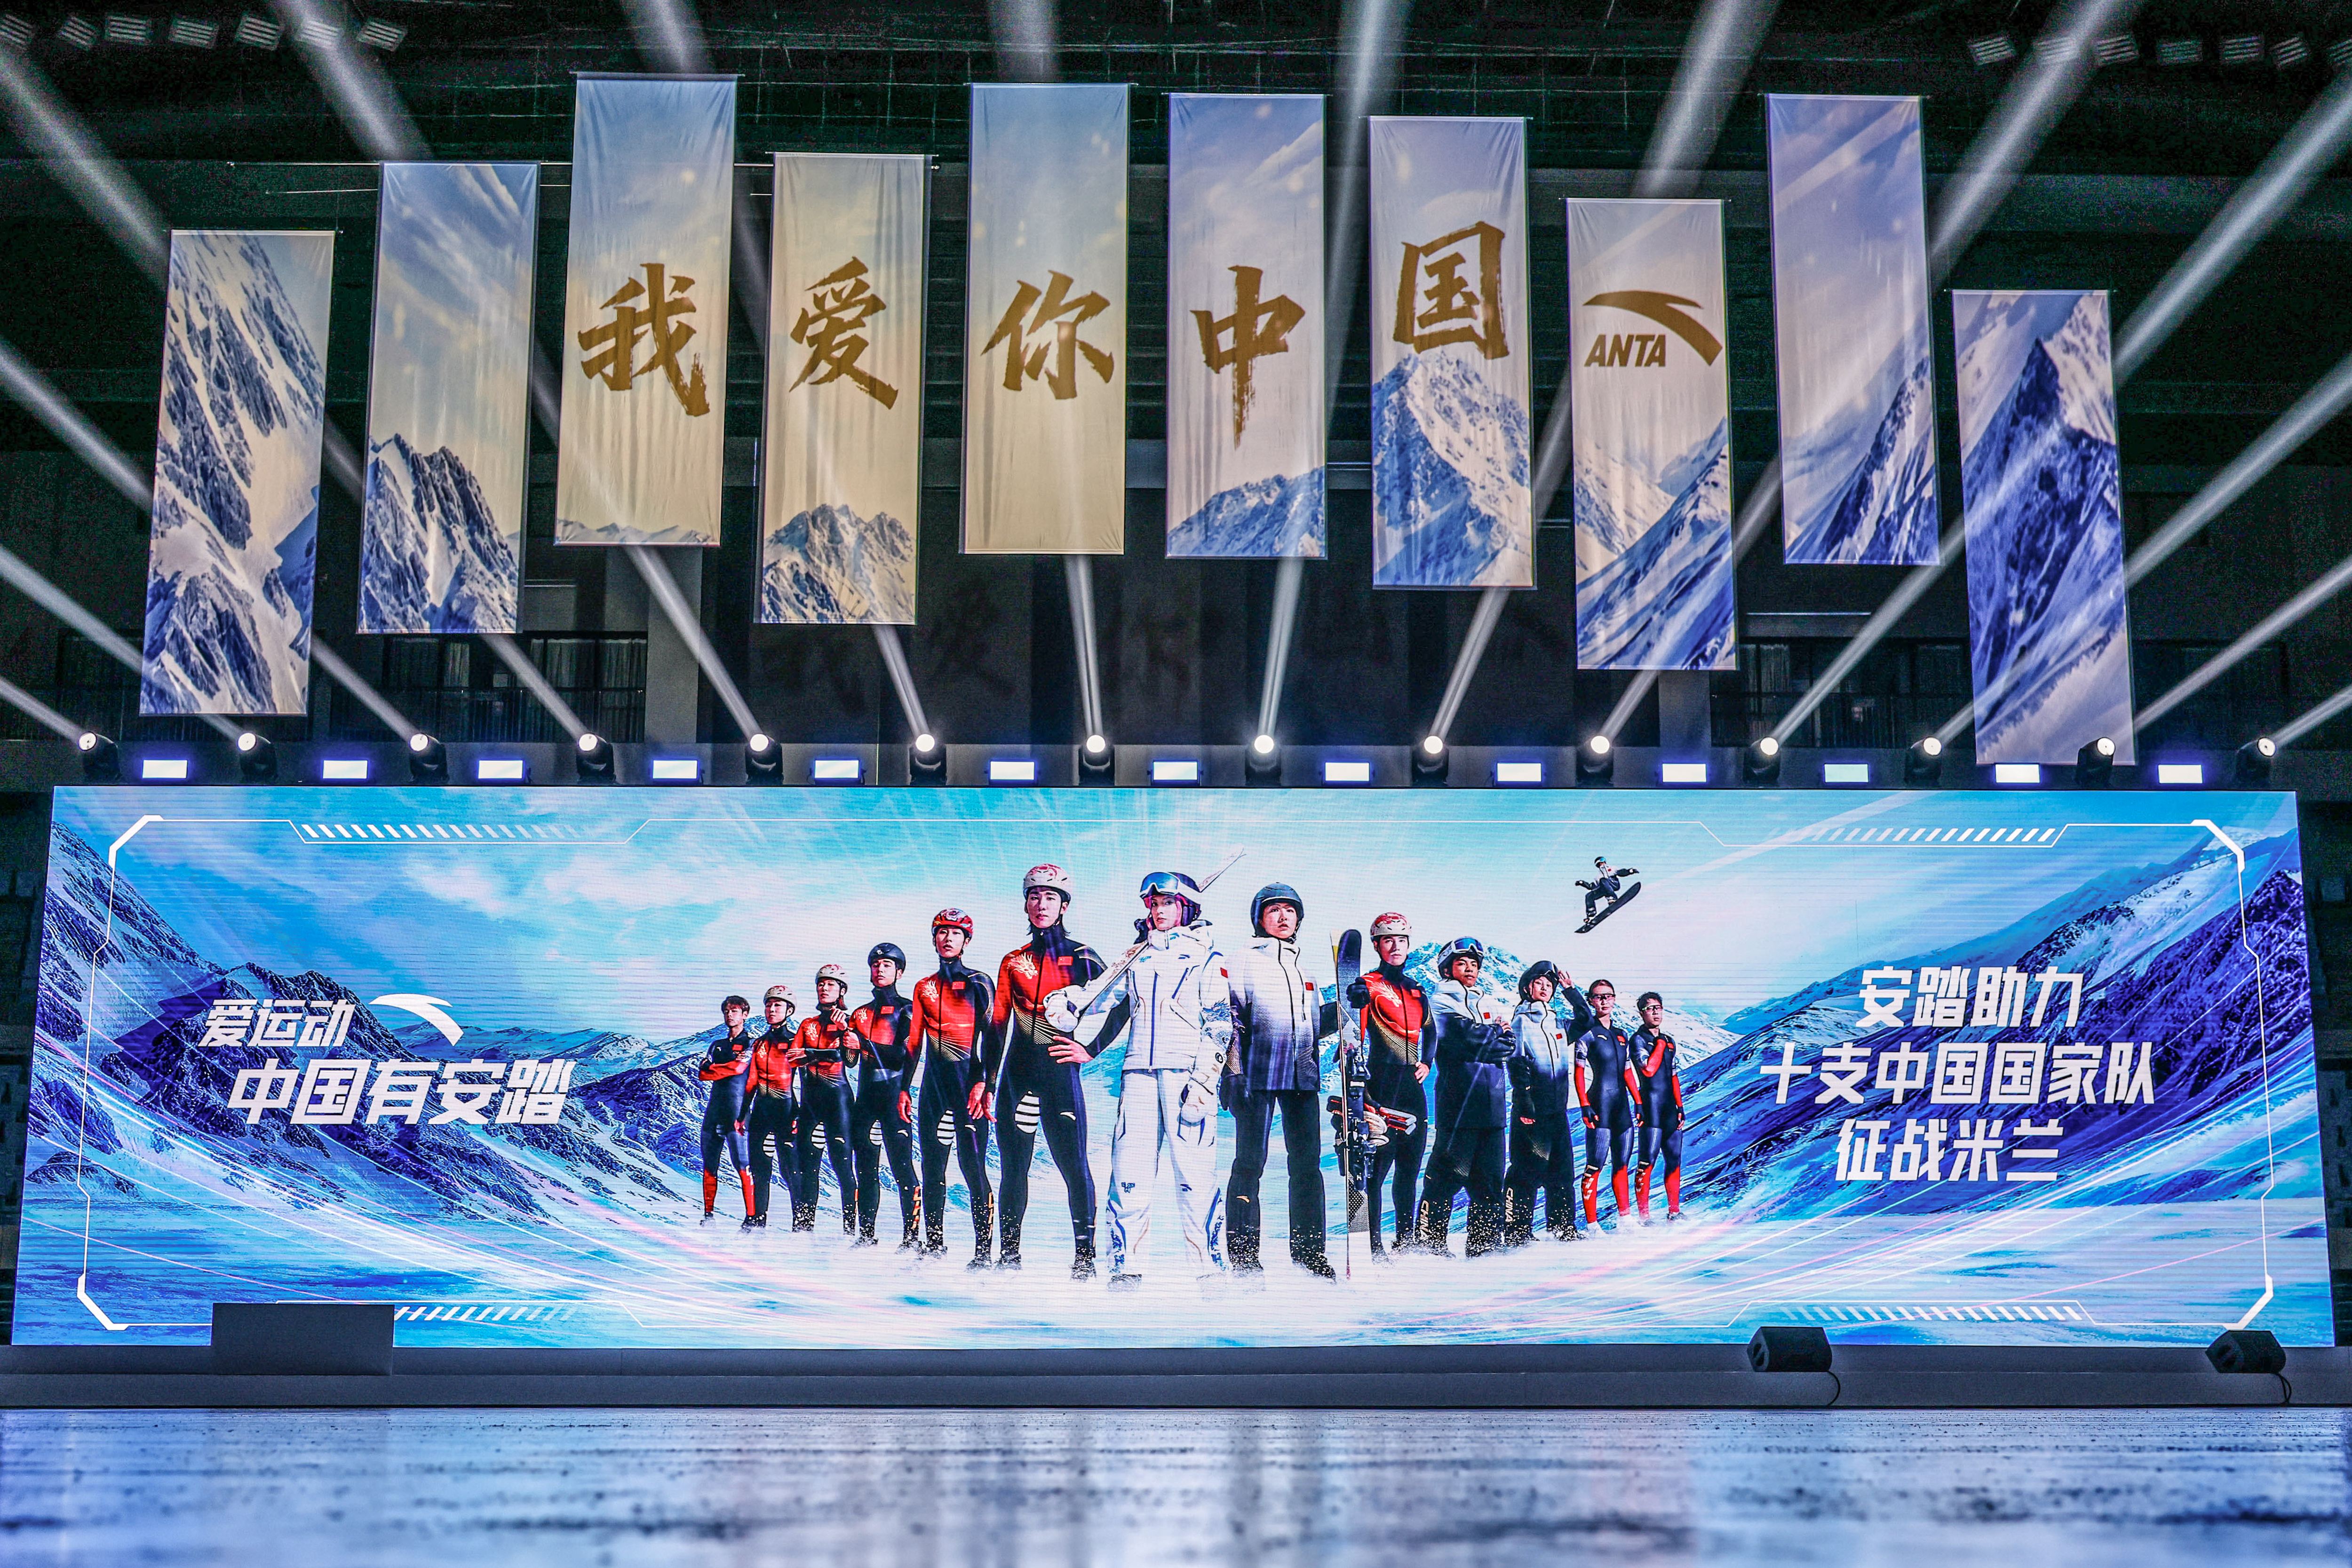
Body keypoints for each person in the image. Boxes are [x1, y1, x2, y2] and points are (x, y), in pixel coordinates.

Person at [1046, 869, 1232, 1289]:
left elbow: (1220, 1024)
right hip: (1137, 1076)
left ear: (1186, 906)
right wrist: (1067, 1002)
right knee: (1128, 1176)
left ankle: (1211, 1274)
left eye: (1167, 903)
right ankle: (1125, 1271)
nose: (1159, 910)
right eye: (1154, 904)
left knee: (1195, 1178)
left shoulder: (1206, 956)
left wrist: (1205, 1080)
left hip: (1186, 1076)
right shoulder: (1137, 955)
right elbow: (1098, 997)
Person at [991, 863, 1106, 1277]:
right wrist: (985, 1082)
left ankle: (1085, 1261)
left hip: (1060, 1077)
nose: (1042, 904)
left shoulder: (1083, 957)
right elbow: (997, 1025)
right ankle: (1009, 1258)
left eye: (1051, 897)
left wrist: (1090, 1048)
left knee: (1074, 1167)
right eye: (1034, 896)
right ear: (1026, 904)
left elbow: (1122, 1002)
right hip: (1016, 1077)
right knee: (1013, 1168)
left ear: (1064, 905)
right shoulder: (1012, 961)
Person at [1221, 882, 1340, 1280]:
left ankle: (1310, 1253)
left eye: (1290, 910)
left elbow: (1312, 1026)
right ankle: (1244, 1257)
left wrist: (1344, 1006)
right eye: (1274, 910)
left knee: (1307, 1166)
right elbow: (1230, 1017)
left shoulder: (1304, 970)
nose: (1283, 916)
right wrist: (1232, 1072)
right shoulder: (1243, 959)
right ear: (1260, 918)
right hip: (1257, 1074)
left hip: (1302, 1076)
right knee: (1249, 1163)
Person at [908, 909, 999, 1267]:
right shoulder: (923, 987)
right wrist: (904, 1089)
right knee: (932, 1169)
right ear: (934, 939)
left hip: (968, 1085)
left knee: (973, 1167)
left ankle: (983, 1254)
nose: (948, 939)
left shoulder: (979, 982)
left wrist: (985, 1082)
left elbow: (993, 1037)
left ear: (967, 941)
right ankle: (934, 1247)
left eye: (956, 933)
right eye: (942, 932)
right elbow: (914, 1043)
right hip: (932, 1087)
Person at [1418, 938, 1517, 1257]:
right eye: (1462, 963)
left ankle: (1484, 1246)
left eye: (1474, 964)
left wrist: (1494, 1037)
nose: (1470, 969)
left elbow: (1508, 1046)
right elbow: (1467, 1037)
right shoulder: (1440, 1002)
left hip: (1492, 1107)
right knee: (1445, 1179)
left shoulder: (1488, 1001)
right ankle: (1430, 1246)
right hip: (1458, 1105)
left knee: (1490, 1182)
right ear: (1448, 969)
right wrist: (1496, 1033)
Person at [1346, 912, 1435, 1258]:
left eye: (1401, 940)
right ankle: (1374, 1246)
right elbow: (1355, 1035)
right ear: (1377, 946)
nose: (1396, 946)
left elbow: (1431, 1031)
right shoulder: (1367, 984)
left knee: (1410, 1171)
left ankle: (1406, 1240)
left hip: (1413, 1089)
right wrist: (1358, 1080)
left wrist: (1427, 1062)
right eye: (1388, 940)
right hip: (1381, 1083)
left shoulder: (1416, 988)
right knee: (1377, 1172)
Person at [849, 943, 922, 1249]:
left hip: (894, 1099)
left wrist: (863, 1042)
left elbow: (902, 1056)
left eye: (888, 965)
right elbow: (851, 1061)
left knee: (902, 1168)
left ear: (900, 973)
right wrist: (846, 1041)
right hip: (865, 1101)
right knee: (865, 1171)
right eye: (876, 964)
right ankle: (866, 1237)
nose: (880, 969)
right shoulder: (860, 1013)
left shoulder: (909, 1009)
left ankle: (912, 1240)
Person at [1505, 961, 1580, 1244]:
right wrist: (1525, 1102)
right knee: (1527, 1170)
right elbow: (1516, 1063)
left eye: (1550, 985)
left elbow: (1586, 1020)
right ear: (1528, 988)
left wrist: (1570, 990)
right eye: (1540, 983)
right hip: (1533, 1110)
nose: (1546, 988)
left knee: (1563, 1171)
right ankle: (1517, 1232)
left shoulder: (1558, 1023)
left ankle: (1563, 1228)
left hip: (1557, 1110)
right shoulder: (1521, 1021)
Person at [791, 963, 859, 1234]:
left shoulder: (850, 1021)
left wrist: (843, 1034)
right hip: (810, 1103)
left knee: (843, 1166)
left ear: (842, 990)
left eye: (831, 984)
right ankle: (804, 1230)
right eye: (821, 984)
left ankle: (850, 1231)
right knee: (807, 1168)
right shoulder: (808, 1024)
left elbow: (850, 1059)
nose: (824, 988)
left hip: (838, 1102)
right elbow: (793, 1058)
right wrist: (822, 1054)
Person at [1576, 978, 1640, 1230]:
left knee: (1622, 1164)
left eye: (1608, 996)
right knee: (1595, 1165)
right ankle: (1592, 1226)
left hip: (1622, 1107)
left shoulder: (1622, 1034)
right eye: (1598, 996)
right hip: (1599, 1103)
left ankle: (1625, 1218)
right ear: (1591, 1001)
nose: (1604, 1001)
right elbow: (1579, 1072)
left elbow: (1627, 1071)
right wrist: (1584, 1104)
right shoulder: (1587, 1033)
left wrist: (1638, 1102)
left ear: (1614, 999)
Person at [697, 995, 758, 1226]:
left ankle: (751, 1218)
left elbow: (739, 1068)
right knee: (709, 1164)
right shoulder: (717, 1045)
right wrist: (726, 1067)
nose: (730, 1015)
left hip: (737, 1111)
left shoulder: (752, 1043)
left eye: (735, 1011)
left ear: (745, 1015)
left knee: (742, 1165)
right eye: (727, 1011)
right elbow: (703, 1074)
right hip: (714, 1111)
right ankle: (708, 1216)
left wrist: (717, 1068)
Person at [743, 984, 801, 1229]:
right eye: (768, 1005)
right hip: (760, 1112)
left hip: (786, 1111)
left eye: (778, 1005)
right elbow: (752, 1081)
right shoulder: (759, 1044)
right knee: (759, 1170)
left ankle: (801, 1224)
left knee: (790, 1170)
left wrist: (802, 1114)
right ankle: (756, 1221)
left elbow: (807, 1080)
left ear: (789, 1011)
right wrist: (743, 1112)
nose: (772, 1010)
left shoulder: (795, 1041)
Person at [1630, 990, 1687, 1222]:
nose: (1655, 1013)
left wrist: (1680, 1106)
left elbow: (1673, 1075)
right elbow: (1648, 1069)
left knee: (1674, 1160)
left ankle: (1674, 1211)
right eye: (1650, 1009)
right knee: (1647, 1162)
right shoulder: (1639, 1040)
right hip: (1651, 1108)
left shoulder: (1669, 1040)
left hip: (1669, 1108)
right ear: (1642, 1013)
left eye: (1658, 1008)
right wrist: (1661, 1045)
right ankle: (1644, 1217)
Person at [1576, 858, 1638, 925]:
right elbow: (1591, 886)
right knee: (1589, 896)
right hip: (1604, 889)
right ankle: (1591, 915)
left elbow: (1621, 872)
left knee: (1603, 880)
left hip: (1613, 884)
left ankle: (1612, 898)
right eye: (1602, 861)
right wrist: (1582, 883)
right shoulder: (1598, 877)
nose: (1603, 863)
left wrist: (1630, 871)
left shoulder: (1611, 868)